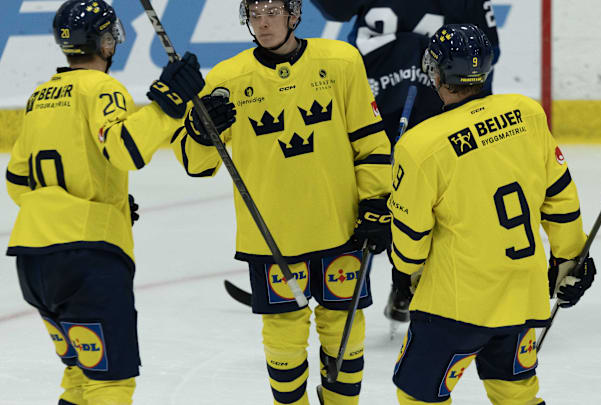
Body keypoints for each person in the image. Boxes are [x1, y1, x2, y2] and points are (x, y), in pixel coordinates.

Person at [171, 1, 391, 404]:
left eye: (272, 11)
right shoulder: (228, 78)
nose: (263, 21)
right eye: (255, 14)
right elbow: (194, 163)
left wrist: (376, 200)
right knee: (284, 341)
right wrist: (201, 133)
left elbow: (371, 140)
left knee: (345, 333)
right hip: (272, 237)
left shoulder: (341, 61)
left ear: (294, 15)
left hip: (340, 227)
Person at [3, 1, 208, 403]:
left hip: (34, 260)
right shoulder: (103, 88)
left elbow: (17, 183)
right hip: (88, 263)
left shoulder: (38, 97)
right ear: (106, 41)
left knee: (80, 379)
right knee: (109, 384)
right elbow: (125, 150)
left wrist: (97, 200)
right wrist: (167, 103)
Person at [388, 24, 596, 404]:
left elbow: (410, 238)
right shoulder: (526, 113)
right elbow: (560, 196)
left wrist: (406, 271)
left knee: (417, 395)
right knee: (515, 393)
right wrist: (570, 259)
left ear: (435, 72)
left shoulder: (420, 146)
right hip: (522, 292)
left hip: (453, 303)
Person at [310, 0, 502, 324]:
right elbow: (337, 10)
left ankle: (410, 283)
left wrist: (473, 116)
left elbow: (486, 51)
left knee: (431, 203)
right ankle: (345, 281)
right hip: (367, 105)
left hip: (432, 108)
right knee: (364, 199)